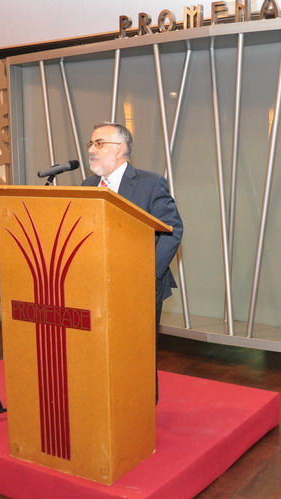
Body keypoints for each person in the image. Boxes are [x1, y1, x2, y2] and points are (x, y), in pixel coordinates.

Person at [81, 122, 183, 401]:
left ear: (121, 149)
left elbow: (173, 230)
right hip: (97, 285)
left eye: (99, 143)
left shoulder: (150, 183)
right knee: (101, 347)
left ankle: (141, 407)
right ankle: (104, 401)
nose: (91, 150)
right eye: (91, 144)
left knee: (137, 351)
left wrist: (147, 273)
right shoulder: (88, 185)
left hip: (140, 285)